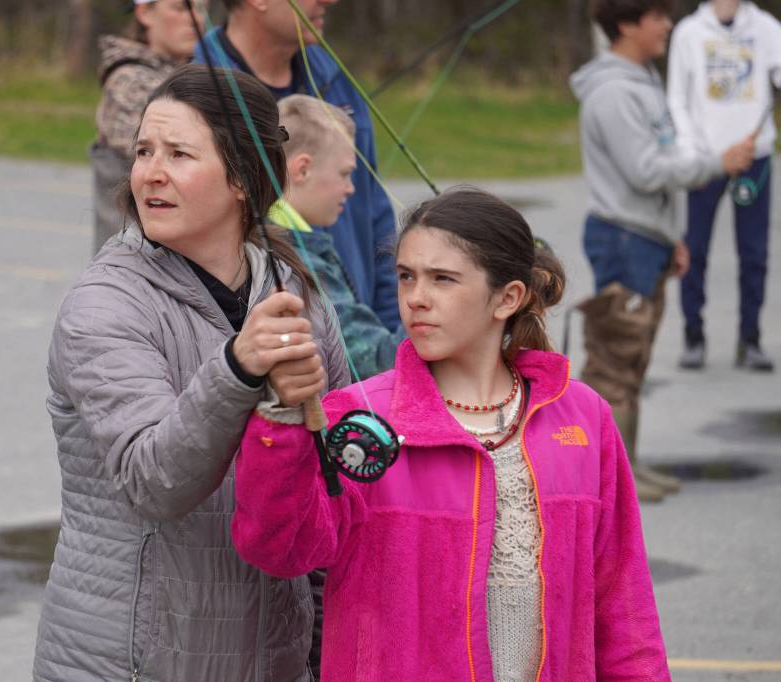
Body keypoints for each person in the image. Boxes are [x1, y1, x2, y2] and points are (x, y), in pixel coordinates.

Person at [229, 187, 670, 680]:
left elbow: (623, 606)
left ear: (508, 298)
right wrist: (280, 422)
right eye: (406, 277)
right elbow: (281, 548)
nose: (416, 298)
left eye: (443, 279)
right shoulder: (356, 417)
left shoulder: (583, 418)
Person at [33, 64, 348, 681]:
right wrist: (236, 367)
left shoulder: (297, 297)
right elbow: (154, 482)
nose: (151, 171)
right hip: (126, 664)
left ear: (241, 177)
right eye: (144, 150)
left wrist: (324, 648)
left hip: (272, 662)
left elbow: (333, 488)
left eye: (179, 153)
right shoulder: (104, 304)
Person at [569, 0, 756, 502]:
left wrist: (671, 235)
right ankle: (604, 482)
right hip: (623, 239)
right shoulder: (612, 92)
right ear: (628, 24)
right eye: (659, 17)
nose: (669, 26)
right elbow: (647, 170)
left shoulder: (643, 80)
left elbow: (658, 163)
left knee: (636, 360)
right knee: (614, 362)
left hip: (646, 238)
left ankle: (626, 470)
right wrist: (719, 163)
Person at [193, 0, 402, 332]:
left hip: (359, 345)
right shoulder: (196, 96)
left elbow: (375, 214)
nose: (330, 1)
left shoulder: (337, 82)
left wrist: (393, 335)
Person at [667, 0, 781, 371]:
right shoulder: (688, 32)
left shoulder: (765, 27)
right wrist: (693, 152)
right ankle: (693, 335)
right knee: (695, 248)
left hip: (754, 156)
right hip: (706, 159)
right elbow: (677, 98)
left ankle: (750, 339)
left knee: (755, 253)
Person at [271, 94, 405, 379]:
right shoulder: (296, 259)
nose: (351, 188)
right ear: (302, 169)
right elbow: (373, 361)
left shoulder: (280, 238)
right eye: (345, 174)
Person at [91, 0, 204, 254]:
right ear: (145, 14)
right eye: (181, 8)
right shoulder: (128, 82)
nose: (195, 19)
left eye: (200, 7)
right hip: (132, 263)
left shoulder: (194, 74)